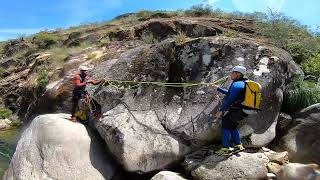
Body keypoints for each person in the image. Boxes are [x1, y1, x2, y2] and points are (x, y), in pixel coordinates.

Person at [211, 65, 248, 155]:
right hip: (241, 110)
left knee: (226, 128)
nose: (230, 74)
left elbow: (229, 100)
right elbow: (231, 94)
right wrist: (218, 88)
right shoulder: (243, 83)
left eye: (233, 73)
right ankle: (238, 145)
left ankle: (225, 148)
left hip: (234, 110)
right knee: (232, 127)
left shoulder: (236, 85)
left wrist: (221, 110)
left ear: (238, 74)